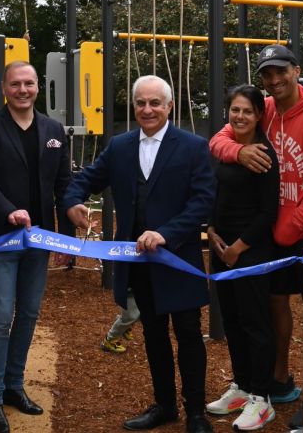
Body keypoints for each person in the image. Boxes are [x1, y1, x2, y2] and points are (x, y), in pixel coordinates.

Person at [64, 75, 216, 433]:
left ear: (169, 106)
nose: (147, 110)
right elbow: (85, 179)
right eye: (140, 103)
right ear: (134, 106)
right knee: (153, 334)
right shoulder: (119, 146)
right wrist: (72, 202)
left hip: (178, 260)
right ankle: (164, 405)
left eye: (154, 103)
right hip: (138, 263)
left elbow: (203, 201)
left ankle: (196, 412)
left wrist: (167, 233)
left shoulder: (193, 147)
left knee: (189, 334)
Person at [209, 44, 303, 428]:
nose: (275, 80)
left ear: (297, 71)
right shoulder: (264, 108)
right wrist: (238, 153)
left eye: (281, 71)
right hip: (272, 229)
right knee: (272, 304)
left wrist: (285, 228)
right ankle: (278, 380)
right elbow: (219, 138)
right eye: (267, 74)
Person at [0, 61, 73, 433]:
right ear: (4, 88)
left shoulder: (53, 129)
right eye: (16, 84)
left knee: (28, 313)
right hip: (0, 237)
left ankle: (14, 385)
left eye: (29, 83)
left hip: (39, 238)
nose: (23, 90)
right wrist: (9, 211)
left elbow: (64, 184)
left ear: (38, 87)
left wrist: (71, 216)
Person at [205, 85, 279, 431]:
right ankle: (243, 384)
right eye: (234, 110)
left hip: (249, 251)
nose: (239, 117)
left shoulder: (263, 155)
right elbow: (217, 192)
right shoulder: (228, 150)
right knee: (232, 321)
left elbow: (268, 213)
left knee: (255, 324)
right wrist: (213, 231)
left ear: (259, 115)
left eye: (247, 111)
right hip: (222, 249)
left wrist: (238, 246)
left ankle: (262, 399)